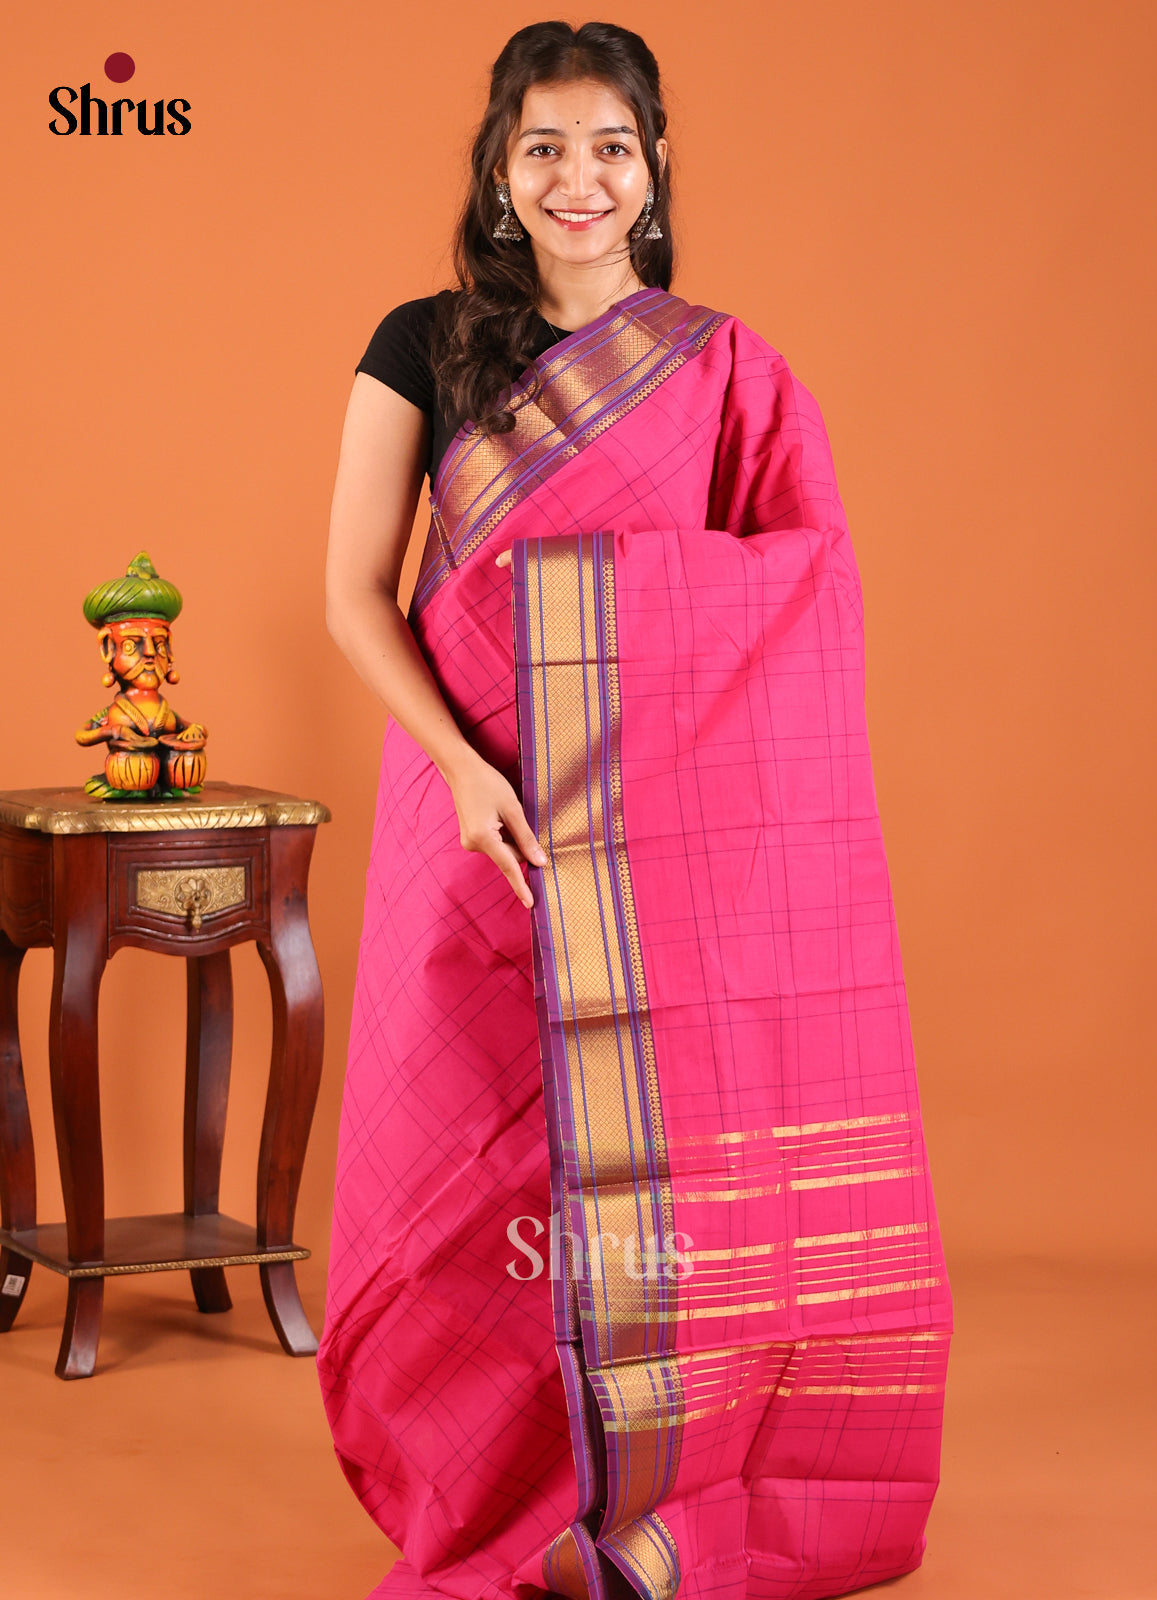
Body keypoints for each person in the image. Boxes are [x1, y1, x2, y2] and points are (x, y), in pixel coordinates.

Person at [318, 20, 952, 1600]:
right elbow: (350, 594)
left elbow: (801, 595)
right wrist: (466, 768)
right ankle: (490, 1486)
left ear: (656, 166)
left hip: (662, 847)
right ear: (499, 170)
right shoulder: (422, 342)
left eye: (609, 145)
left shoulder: (725, 370)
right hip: (470, 814)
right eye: (543, 147)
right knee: (474, 1161)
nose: (578, 179)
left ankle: (666, 1476)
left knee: (656, 1173)